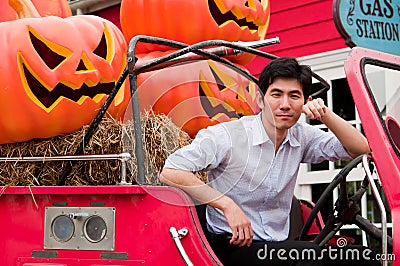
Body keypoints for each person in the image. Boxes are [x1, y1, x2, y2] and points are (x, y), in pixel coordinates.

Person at [160, 57, 375, 265]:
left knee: (364, 256)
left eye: (294, 96)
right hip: (232, 246)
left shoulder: (302, 135)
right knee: (308, 255)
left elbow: (360, 148)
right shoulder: (227, 136)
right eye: (276, 94)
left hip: (276, 248)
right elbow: (170, 171)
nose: (285, 104)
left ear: (304, 102)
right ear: (260, 99)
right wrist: (227, 205)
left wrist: (325, 114)